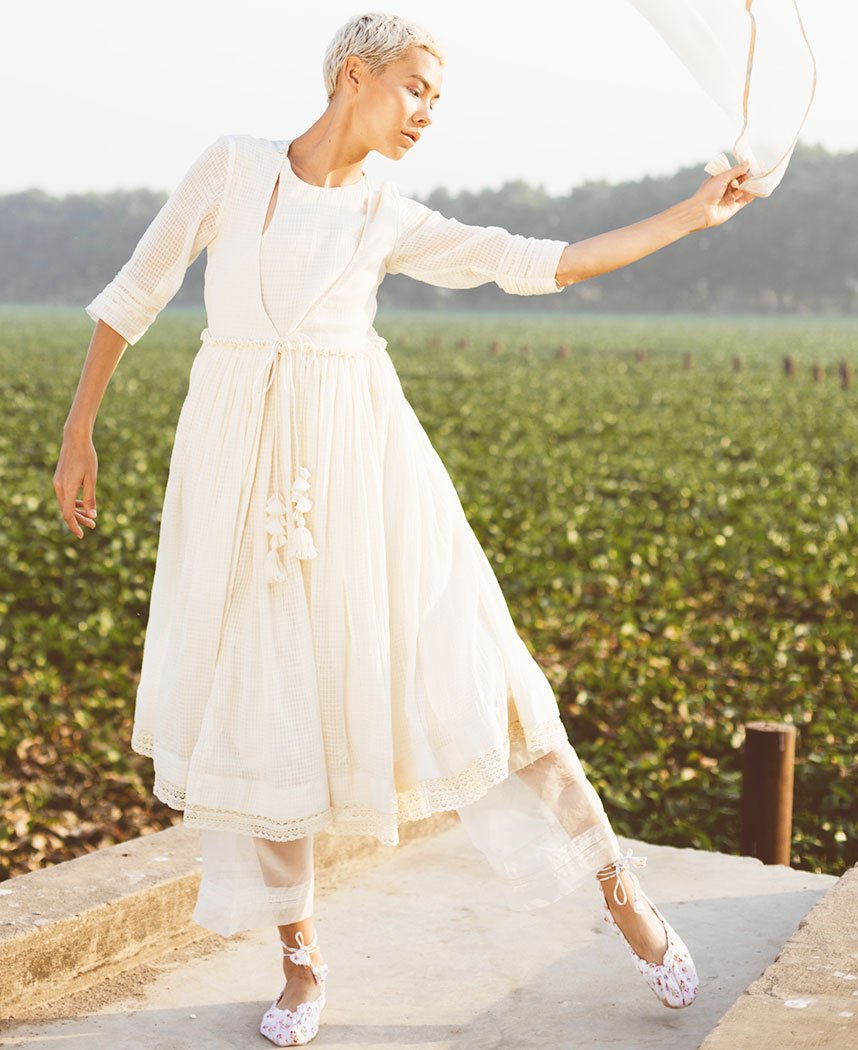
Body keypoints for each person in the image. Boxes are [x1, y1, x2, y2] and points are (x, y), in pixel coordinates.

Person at [54, 11, 754, 1047]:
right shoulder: (234, 167)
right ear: (354, 74)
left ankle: (619, 888)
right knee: (266, 699)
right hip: (239, 472)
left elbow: (544, 261)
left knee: (483, 668)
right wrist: (80, 430)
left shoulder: (388, 212)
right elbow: (138, 290)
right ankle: (301, 963)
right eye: (416, 87)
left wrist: (692, 216)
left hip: (368, 470)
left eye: (439, 98)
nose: (428, 112)